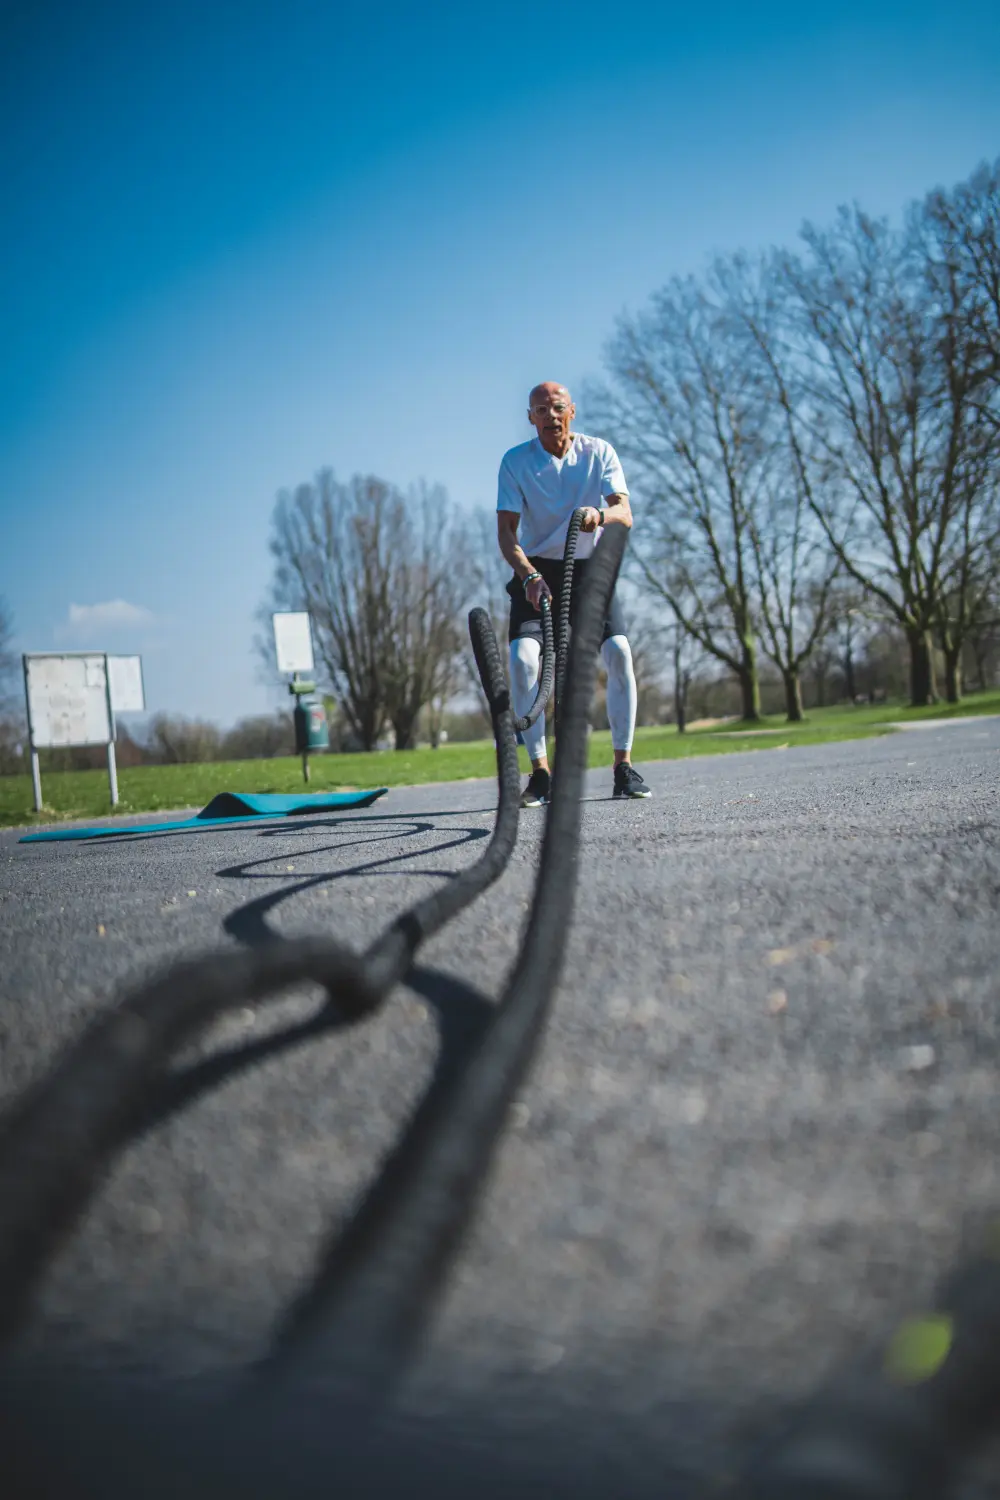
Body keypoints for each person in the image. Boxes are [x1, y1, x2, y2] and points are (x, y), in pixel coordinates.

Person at [497, 381, 651, 807]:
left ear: (572, 412)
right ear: (531, 418)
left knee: (619, 652)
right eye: (540, 409)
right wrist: (527, 575)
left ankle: (623, 767)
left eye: (557, 407)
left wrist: (599, 516)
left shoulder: (599, 452)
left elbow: (625, 512)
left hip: (588, 569)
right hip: (537, 572)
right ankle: (541, 774)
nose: (549, 415)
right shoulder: (515, 462)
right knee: (524, 660)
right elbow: (506, 533)